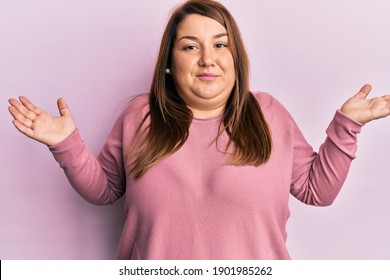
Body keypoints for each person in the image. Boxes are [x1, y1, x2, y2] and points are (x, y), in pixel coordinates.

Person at [7, 0, 390, 260]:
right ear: (170, 63)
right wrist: (65, 145)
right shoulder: (141, 116)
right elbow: (106, 190)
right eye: (190, 47)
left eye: (220, 45)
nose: (208, 59)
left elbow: (316, 191)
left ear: (235, 58)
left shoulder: (269, 114)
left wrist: (348, 125)